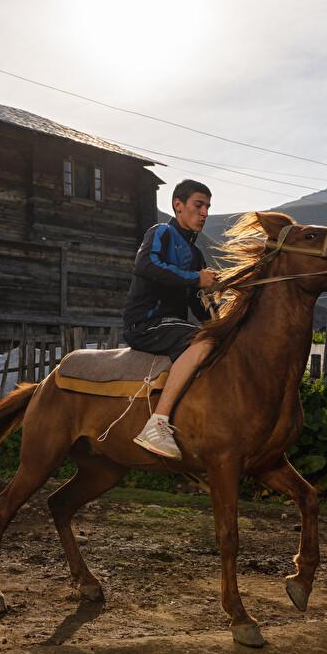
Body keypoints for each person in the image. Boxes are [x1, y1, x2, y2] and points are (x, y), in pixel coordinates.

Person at [122, 180, 217, 459]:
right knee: (201, 338)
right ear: (178, 205)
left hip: (172, 326)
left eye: (208, 207)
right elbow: (146, 265)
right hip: (146, 324)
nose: (205, 213)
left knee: (216, 337)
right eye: (198, 205)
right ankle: (157, 423)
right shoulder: (160, 232)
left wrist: (218, 312)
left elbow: (194, 303)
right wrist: (196, 278)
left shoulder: (196, 255)